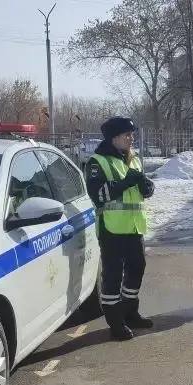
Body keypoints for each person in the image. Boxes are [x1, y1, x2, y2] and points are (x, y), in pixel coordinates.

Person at [85, 117, 156, 341]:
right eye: (127, 134)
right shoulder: (98, 162)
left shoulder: (133, 159)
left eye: (131, 134)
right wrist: (125, 182)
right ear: (114, 138)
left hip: (134, 226)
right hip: (112, 229)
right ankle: (115, 322)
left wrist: (147, 187)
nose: (131, 138)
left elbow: (140, 190)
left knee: (137, 268)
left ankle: (130, 311)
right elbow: (98, 196)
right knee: (113, 276)